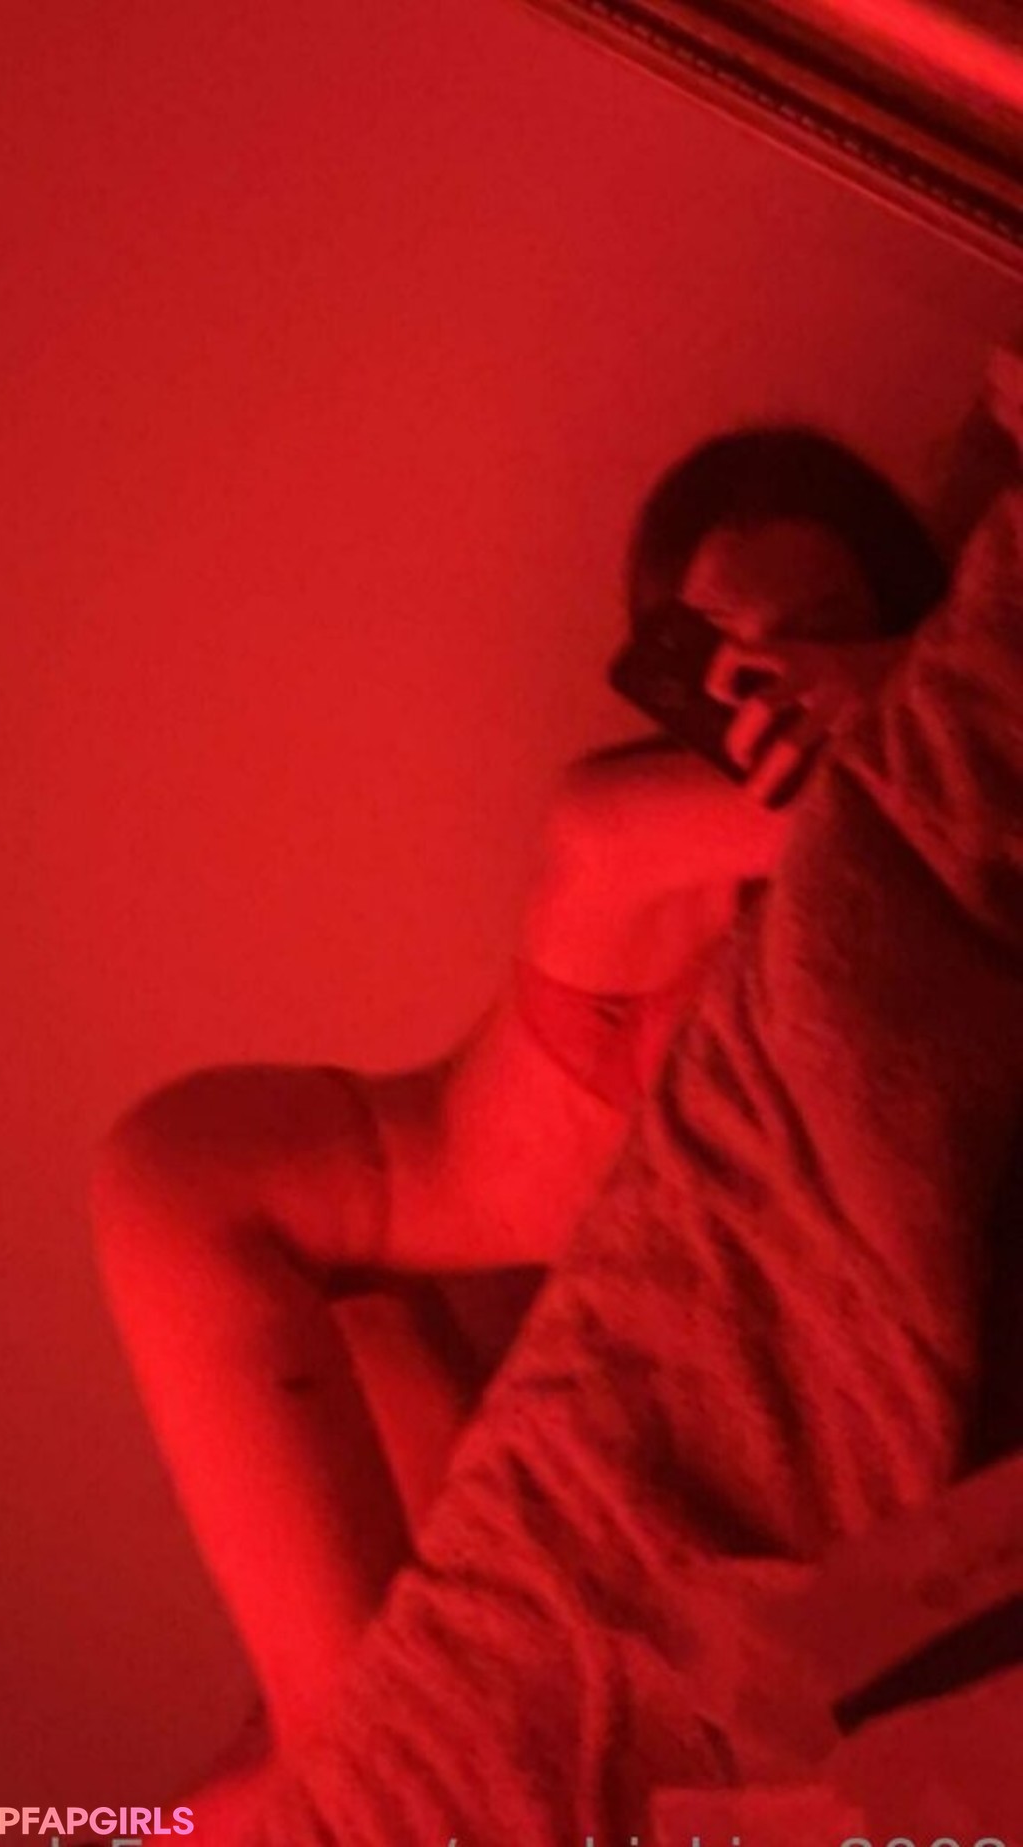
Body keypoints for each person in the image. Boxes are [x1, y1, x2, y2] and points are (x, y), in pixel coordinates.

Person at [90, 424, 950, 1791]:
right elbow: (824, 804)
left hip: (452, 1304)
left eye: (819, 625)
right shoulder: (632, 825)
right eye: (722, 648)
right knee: (311, 1744)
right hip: (380, 1179)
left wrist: (881, 676)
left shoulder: (875, 831)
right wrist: (887, 688)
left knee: (277, 1785)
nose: (771, 671)